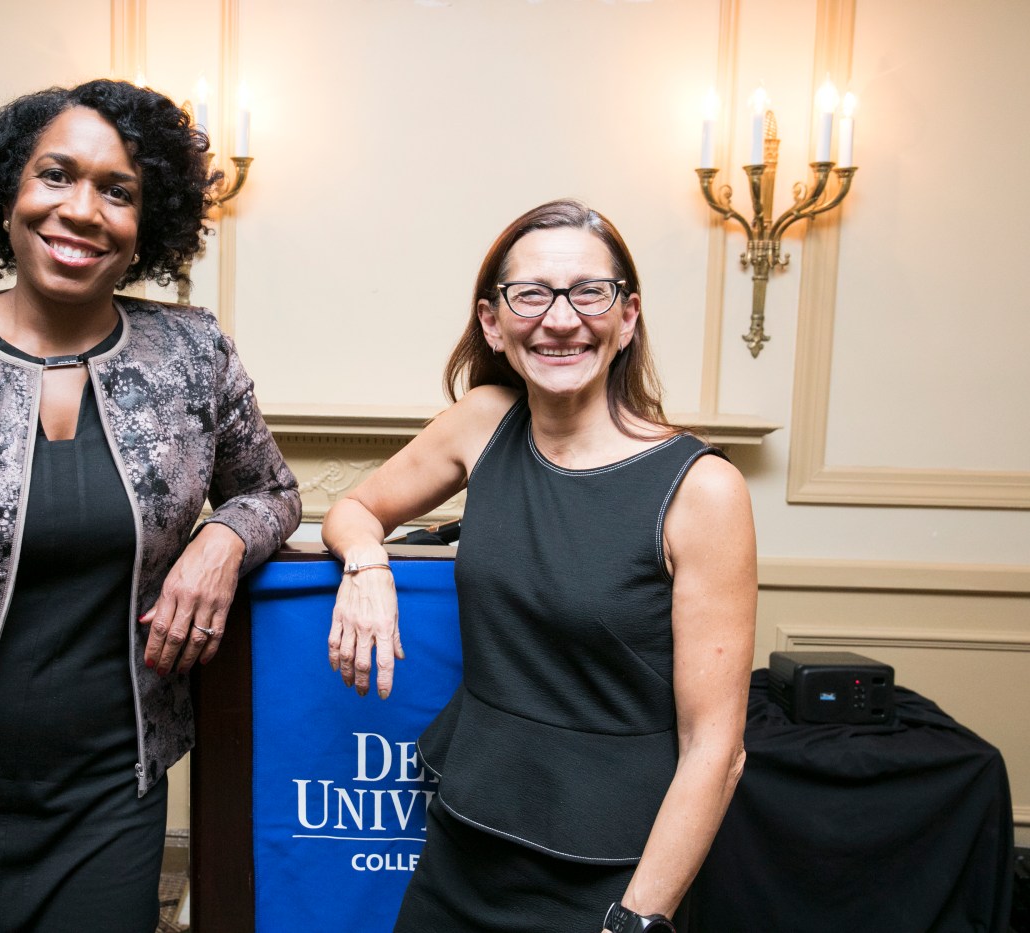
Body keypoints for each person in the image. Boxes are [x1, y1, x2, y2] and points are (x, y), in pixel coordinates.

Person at [0, 78, 301, 933]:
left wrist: (222, 538)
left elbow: (273, 492)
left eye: (119, 191)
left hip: (110, 802)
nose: (82, 210)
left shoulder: (192, 352)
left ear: (148, 224)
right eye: (57, 175)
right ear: (8, 193)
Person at [323, 199, 755, 932]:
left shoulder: (702, 489)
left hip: (613, 870)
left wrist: (634, 921)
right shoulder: (483, 421)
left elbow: (716, 750)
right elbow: (354, 508)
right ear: (493, 322)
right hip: (464, 841)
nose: (561, 319)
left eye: (590, 292)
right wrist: (366, 568)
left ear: (627, 317)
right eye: (531, 294)